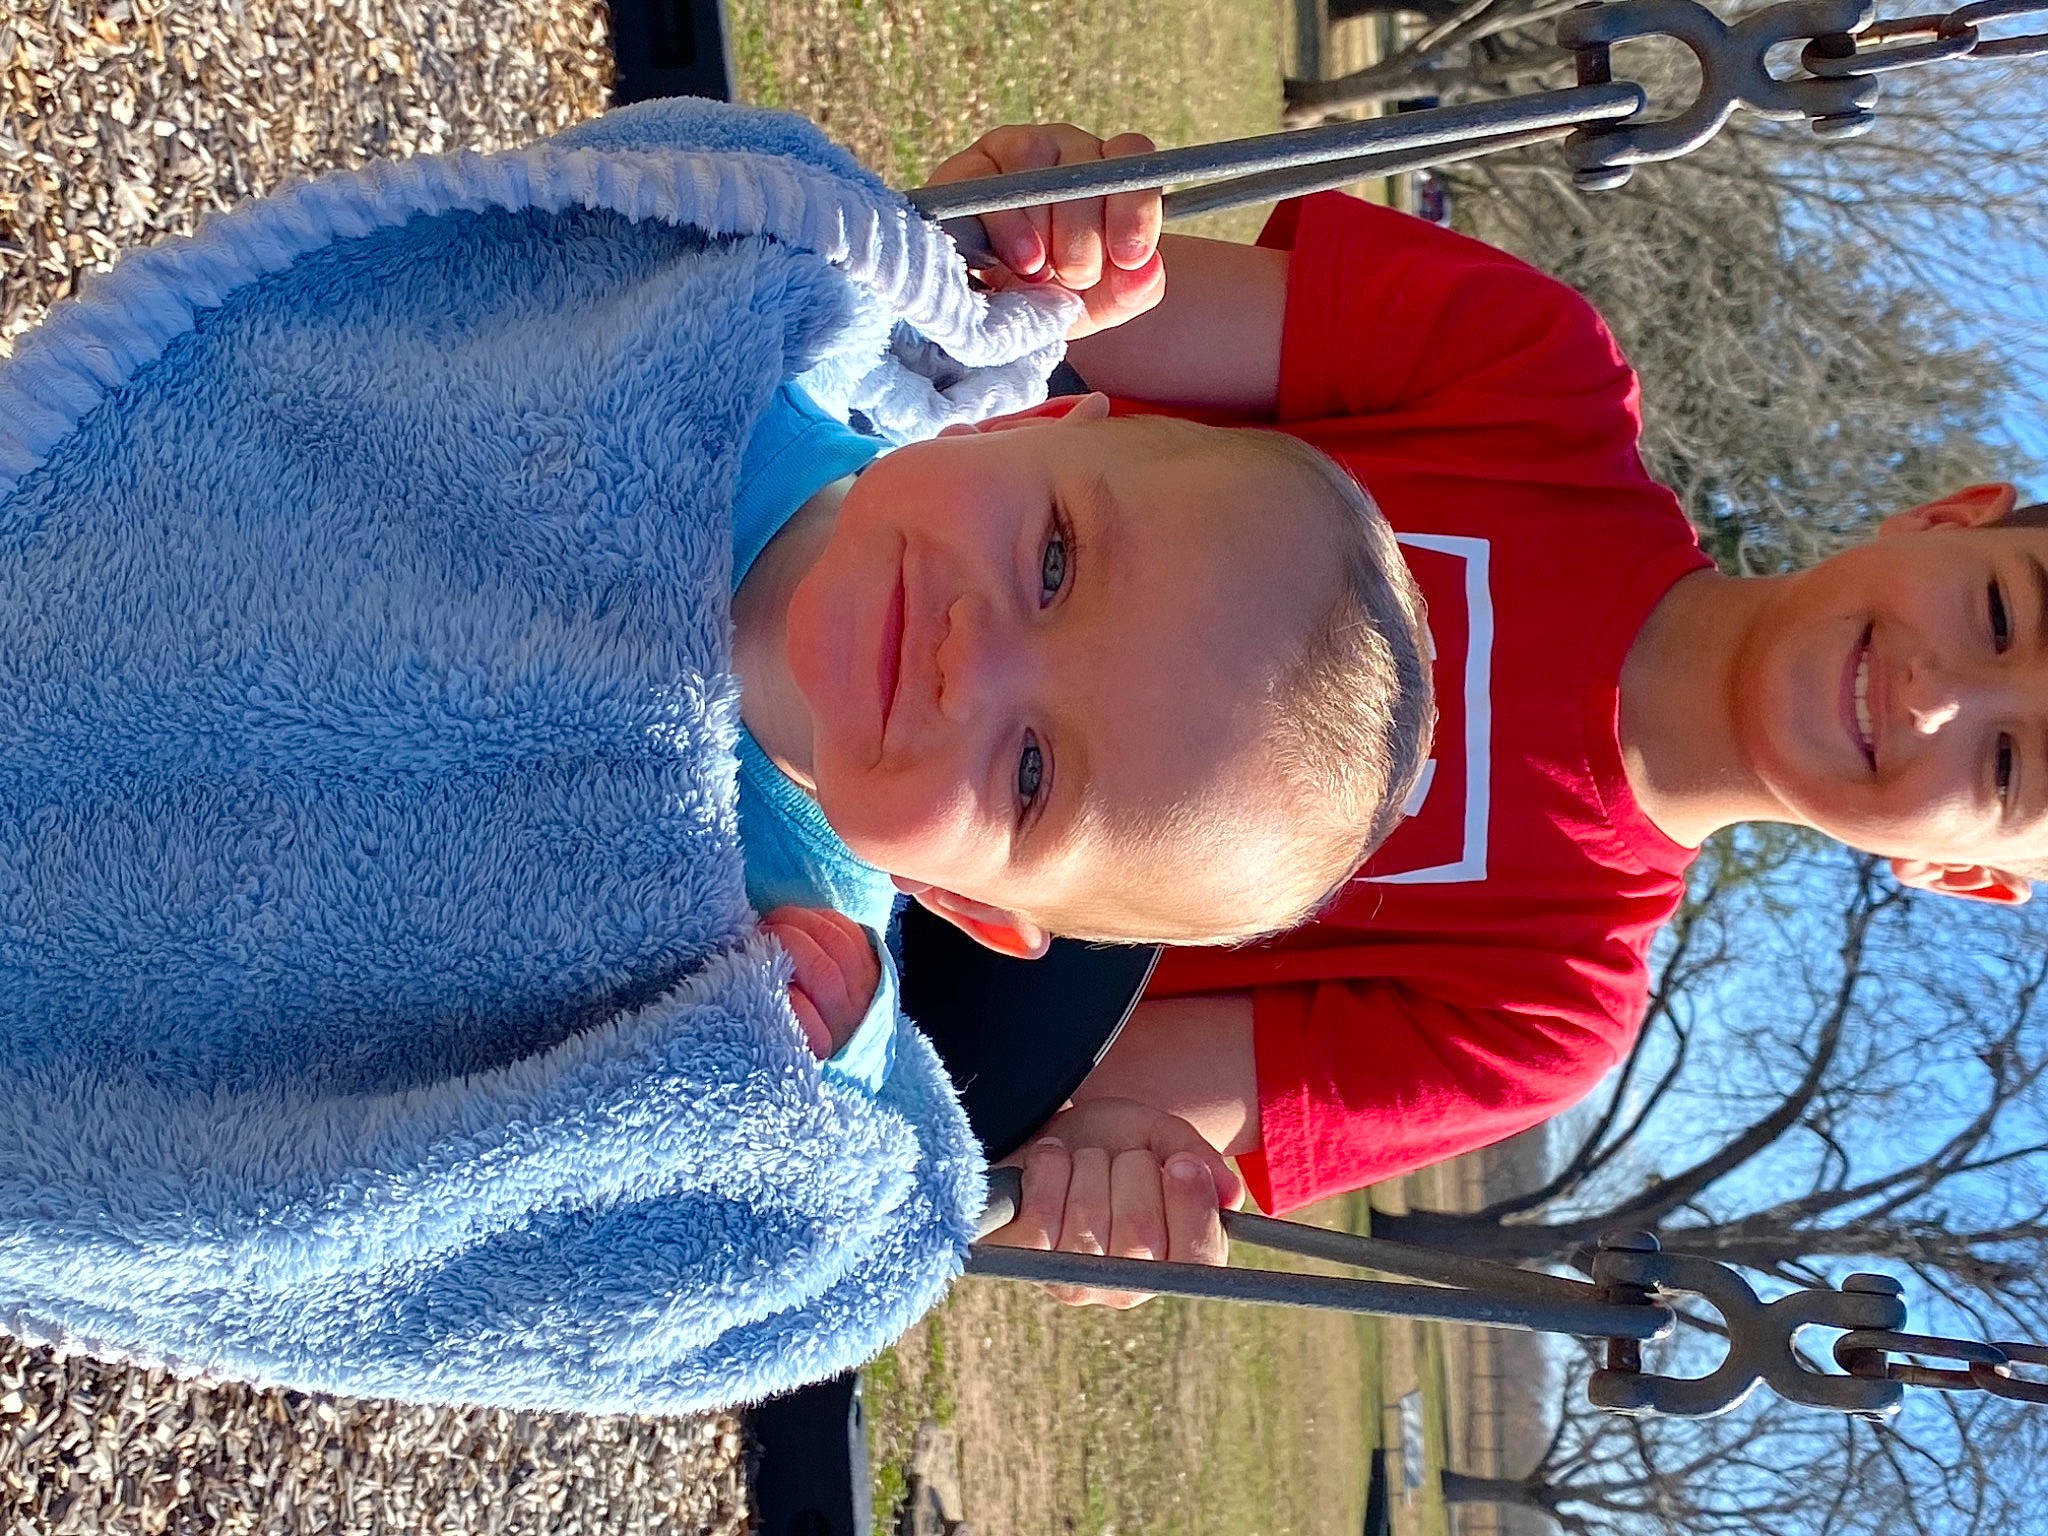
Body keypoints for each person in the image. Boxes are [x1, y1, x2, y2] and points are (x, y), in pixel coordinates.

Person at [931, 124, 2040, 1297]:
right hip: (866, 545)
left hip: (863, 926)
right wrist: (1039, 232)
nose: (1936, 692)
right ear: (1944, 519)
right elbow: (1011, 327)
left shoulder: (1546, 1009)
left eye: (2008, 766)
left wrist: (1107, 1188)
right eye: (2000, 614)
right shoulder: (1532, 373)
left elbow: (1030, 1113)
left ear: (1955, 872)